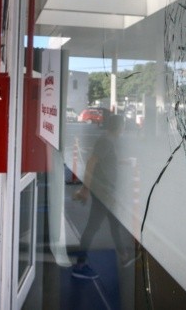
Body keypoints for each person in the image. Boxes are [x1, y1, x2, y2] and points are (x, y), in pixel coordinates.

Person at [71, 115, 135, 279]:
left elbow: (107, 161)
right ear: (118, 127)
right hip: (103, 193)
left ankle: (124, 256)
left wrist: (124, 162)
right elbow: (91, 163)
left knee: (114, 224)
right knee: (92, 227)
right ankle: (79, 265)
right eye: (123, 125)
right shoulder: (106, 141)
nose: (123, 128)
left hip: (108, 192)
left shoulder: (109, 140)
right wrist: (85, 189)